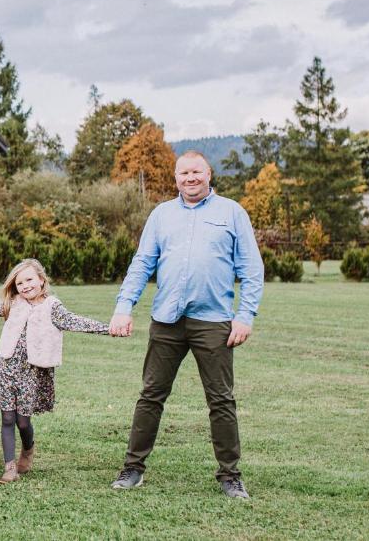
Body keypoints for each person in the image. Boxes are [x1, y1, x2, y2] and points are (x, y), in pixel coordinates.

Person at [108, 151, 264, 499]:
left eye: (196, 171)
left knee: (221, 400)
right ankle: (133, 469)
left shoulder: (232, 213)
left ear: (209, 174)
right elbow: (142, 263)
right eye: (183, 173)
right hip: (167, 321)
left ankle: (229, 475)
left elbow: (251, 269)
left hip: (214, 321)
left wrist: (245, 315)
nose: (189, 178)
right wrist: (123, 306)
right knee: (150, 396)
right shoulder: (162, 215)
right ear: (175, 177)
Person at [0, 258, 112, 484]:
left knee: (22, 422)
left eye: (29, 279)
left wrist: (107, 328)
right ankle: (9, 468)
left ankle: (28, 450)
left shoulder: (52, 306)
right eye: (19, 283)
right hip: (7, 369)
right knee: (7, 418)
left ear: (41, 280)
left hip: (32, 373)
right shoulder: (14, 302)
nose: (24, 286)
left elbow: (74, 321)